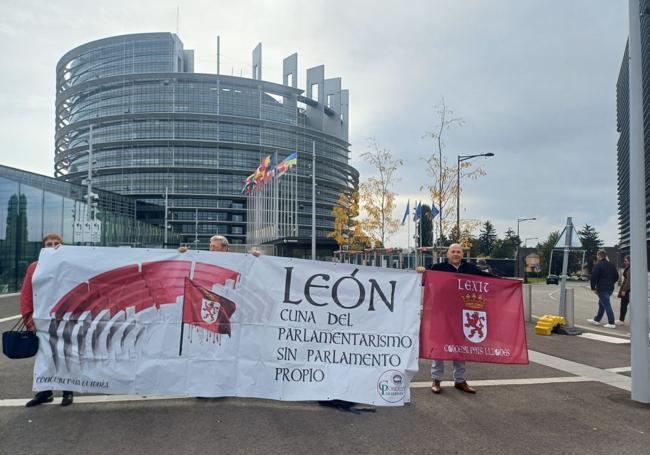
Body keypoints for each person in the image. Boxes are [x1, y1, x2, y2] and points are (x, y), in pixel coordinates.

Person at [417, 243, 492, 395]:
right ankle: (436, 379)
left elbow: (487, 279)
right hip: (441, 313)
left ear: (462, 254)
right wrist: (420, 272)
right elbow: (423, 281)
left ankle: (460, 380)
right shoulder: (438, 268)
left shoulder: (470, 268)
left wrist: (511, 283)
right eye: (453, 252)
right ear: (448, 254)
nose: (456, 254)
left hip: (462, 314)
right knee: (439, 346)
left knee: (460, 347)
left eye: (458, 252)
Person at [21, 233, 74, 407]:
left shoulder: (68, 267)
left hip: (63, 319)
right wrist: (28, 318)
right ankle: (45, 392)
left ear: (61, 247)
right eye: (49, 244)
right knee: (43, 357)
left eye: (56, 244)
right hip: (41, 321)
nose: (52, 246)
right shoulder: (34, 268)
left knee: (65, 354)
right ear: (43, 247)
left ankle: (68, 391)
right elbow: (26, 295)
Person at [587, 250, 620, 329]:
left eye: (597, 256)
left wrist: (593, 288)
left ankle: (611, 323)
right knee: (602, 304)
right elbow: (617, 276)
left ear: (599, 256)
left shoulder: (598, 265)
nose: (597, 257)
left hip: (602, 288)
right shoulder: (611, 265)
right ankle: (597, 319)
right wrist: (611, 282)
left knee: (607, 304)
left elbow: (593, 277)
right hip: (610, 288)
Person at [616, 256, 630, 326]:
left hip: (628, 290)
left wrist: (624, 290)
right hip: (629, 289)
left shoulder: (630, 269)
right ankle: (621, 320)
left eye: (626, 261)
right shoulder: (629, 268)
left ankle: (621, 320)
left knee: (624, 305)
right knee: (625, 305)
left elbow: (628, 281)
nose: (624, 262)